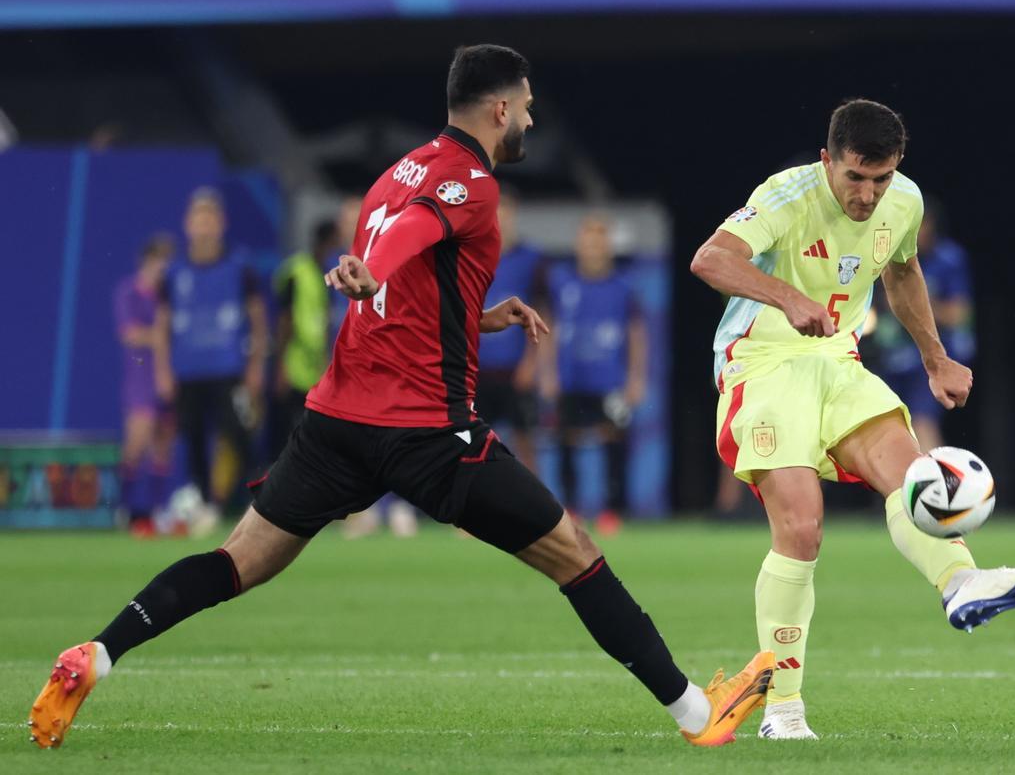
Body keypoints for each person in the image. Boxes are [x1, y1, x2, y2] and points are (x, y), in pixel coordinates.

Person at [29, 44, 771, 750]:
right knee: (574, 555)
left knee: (236, 562)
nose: (534, 122)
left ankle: (98, 652)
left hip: (335, 424)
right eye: (529, 108)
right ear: (500, 111)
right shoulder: (470, 182)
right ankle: (698, 713)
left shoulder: (392, 177)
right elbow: (407, 245)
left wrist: (479, 314)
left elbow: (407, 289)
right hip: (425, 434)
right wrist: (371, 268)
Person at [690, 99, 1015, 741]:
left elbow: (904, 271)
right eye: (855, 177)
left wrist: (936, 357)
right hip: (761, 361)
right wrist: (787, 296)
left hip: (837, 359)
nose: (867, 195)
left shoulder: (905, 202)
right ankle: (782, 710)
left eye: (881, 178)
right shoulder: (786, 194)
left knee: (917, 475)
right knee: (802, 530)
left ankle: (962, 582)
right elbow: (710, 260)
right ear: (827, 160)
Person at [155, 189, 268, 524]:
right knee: (191, 439)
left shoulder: (239, 266)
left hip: (229, 368)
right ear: (188, 225)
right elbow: (162, 324)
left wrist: (256, 364)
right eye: (198, 220)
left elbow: (258, 318)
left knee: (240, 435)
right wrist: (162, 370)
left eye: (210, 219)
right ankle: (205, 505)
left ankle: (262, 505)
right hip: (188, 370)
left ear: (221, 223)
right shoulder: (174, 272)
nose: (203, 227)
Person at [543, 215, 647, 536]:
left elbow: (636, 333)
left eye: (599, 242)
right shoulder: (562, 282)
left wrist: (636, 377)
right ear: (579, 246)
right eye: (588, 241)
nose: (593, 248)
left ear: (608, 248)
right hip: (572, 377)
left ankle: (612, 511)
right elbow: (550, 328)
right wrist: (547, 372)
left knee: (614, 442)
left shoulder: (623, 287)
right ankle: (571, 509)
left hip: (610, 380)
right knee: (567, 442)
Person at [871, 199, 975, 449]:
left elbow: (959, 315)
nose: (915, 231)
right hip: (890, 355)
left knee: (922, 421)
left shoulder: (950, 259)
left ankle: (937, 486)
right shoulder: (884, 251)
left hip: (931, 356)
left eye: (920, 224)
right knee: (882, 425)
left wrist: (917, 304)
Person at [113, 234, 177, 537]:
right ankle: (122, 507)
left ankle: (156, 512)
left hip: (168, 375)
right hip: (141, 379)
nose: (163, 269)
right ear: (147, 262)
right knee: (137, 442)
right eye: (159, 262)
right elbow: (130, 334)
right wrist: (161, 336)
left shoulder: (169, 296)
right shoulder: (129, 292)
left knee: (163, 445)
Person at [475, 189, 544, 470]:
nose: (499, 220)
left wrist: (532, 363)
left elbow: (542, 314)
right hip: (476, 371)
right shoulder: (471, 258)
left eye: (504, 213)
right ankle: (474, 506)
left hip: (515, 372)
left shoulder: (531, 260)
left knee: (525, 440)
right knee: (473, 443)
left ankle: (538, 510)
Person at [271, 219, 340, 456]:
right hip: (292, 365)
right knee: (285, 434)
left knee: (311, 432)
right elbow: (285, 319)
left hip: (314, 369)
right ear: (327, 242)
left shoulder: (326, 275)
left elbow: (323, 322)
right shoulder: (297, 272)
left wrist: (325, 360)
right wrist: (280, 365)